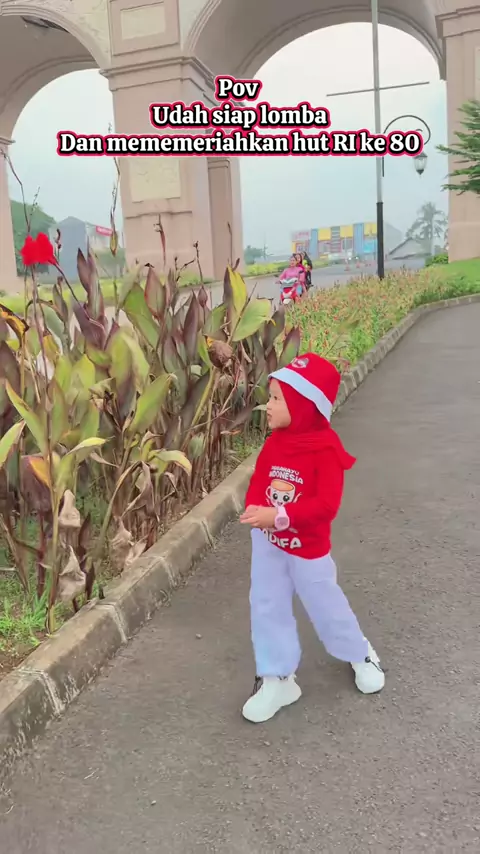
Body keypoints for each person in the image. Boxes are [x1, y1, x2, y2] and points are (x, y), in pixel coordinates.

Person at [239, 353, 385, 723]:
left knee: (324, 604)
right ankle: (277, 677)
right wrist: (256, 508)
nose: (268, 406)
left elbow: (325, 506)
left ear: (304, 405)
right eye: (270, 397)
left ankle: (359, 653)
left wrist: (279, 516)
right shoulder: (276, 443)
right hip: (268, 543)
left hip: (308, 549)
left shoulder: (325, 450)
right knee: (266, 604)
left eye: (277, 399)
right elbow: (259, 481)